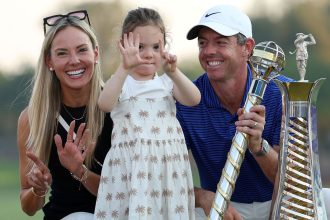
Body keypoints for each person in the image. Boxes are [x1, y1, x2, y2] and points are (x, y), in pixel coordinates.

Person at [176, 5, 292, 220]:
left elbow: (293, 181)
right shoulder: (185, 100)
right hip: (221, 206)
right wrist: (202, 197)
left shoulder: (284, 94)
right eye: (203, 43)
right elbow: (167, 176)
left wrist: (258, 147)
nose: (208, 51)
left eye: (220, 42)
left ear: (247, 47)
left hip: (279, 202)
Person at [94, 7, 200, 220]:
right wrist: (124, 68)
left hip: (167, 170)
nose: (148, 54)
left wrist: (175, 72)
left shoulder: (166, 83)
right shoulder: (122, 83)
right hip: (132, 171)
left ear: (164, 48)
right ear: (123, 46)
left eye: (155, 47)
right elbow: (104, 104)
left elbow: (194, 98)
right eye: (139, 47)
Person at [17, 10, 113, 220]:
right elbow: (28, 207)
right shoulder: (33, 118)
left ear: (95, 54)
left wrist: (80, 170)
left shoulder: (120, 107)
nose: (74, 60)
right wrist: (38, 188)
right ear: (49, 61)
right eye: (62, 53)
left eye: (82, 50)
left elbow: (125, 190)